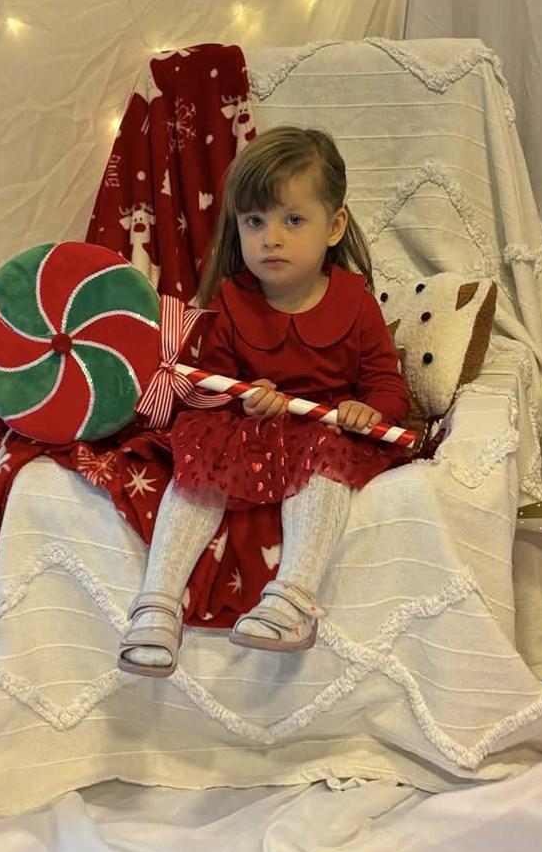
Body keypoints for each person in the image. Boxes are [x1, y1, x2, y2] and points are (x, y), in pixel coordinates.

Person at [118, 126, 413, 676]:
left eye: (292, 220)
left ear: (334, 226)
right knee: (200, 456)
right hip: (255, 432)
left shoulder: (355, 303)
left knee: (326, 460)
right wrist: (244, 402)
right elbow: (215, 388)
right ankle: (156, 604)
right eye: (255, 222)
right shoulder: (233, 300)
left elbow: (388, 387)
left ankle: (291, 601)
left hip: (325, 434)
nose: (271, 238)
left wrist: (369, 410)